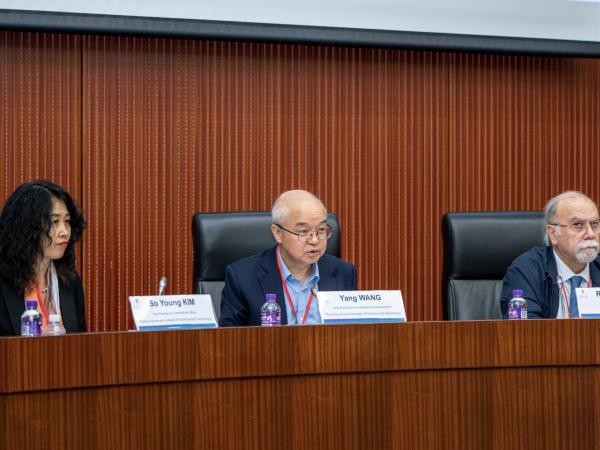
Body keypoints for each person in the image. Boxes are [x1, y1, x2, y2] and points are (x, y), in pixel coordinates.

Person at [219, 190, 357, 326]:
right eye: (303, 232)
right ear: (278, 233)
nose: (314, 240)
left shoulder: (343, 274)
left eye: (321, 230)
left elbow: (353, 336)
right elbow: (230, 342)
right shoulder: (242, 277)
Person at [0, 180, 87, 335]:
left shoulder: (70, 282)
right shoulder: (3, 283)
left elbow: (80, 346)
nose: (64, 231)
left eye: (66, 221)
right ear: (27, 226)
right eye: (54, 221)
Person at [500, 191, 600, 319]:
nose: (590, 234)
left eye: (595, 224)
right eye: (577, 225)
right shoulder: (526, 271)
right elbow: (524, 332)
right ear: (553, 234)